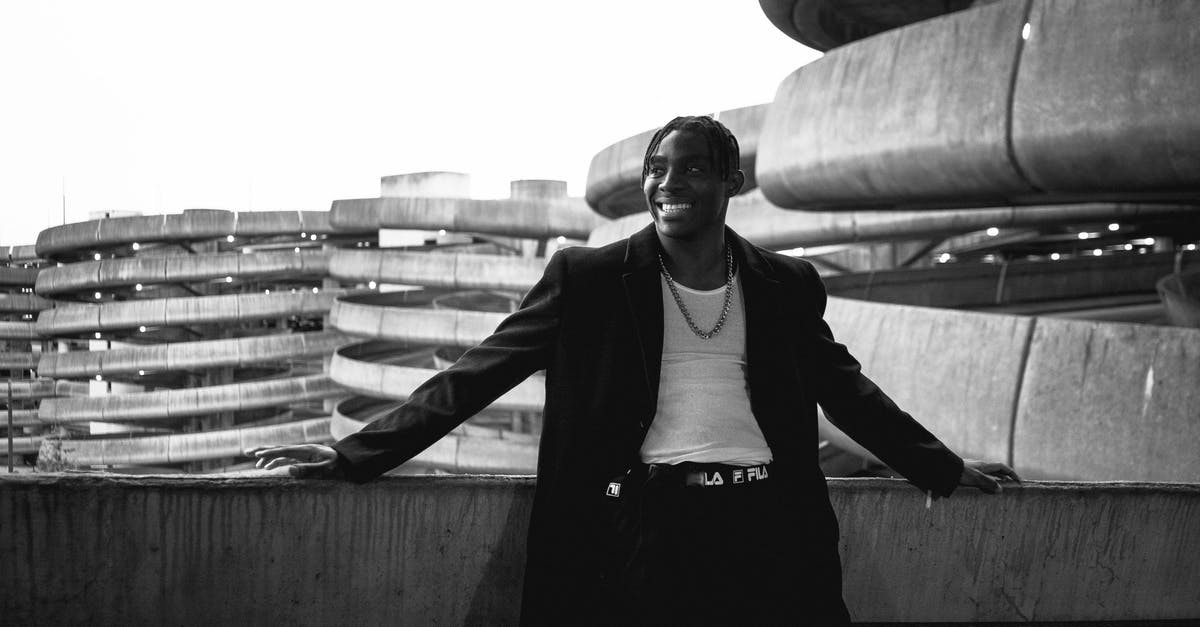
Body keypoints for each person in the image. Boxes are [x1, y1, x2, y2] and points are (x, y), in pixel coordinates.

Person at [250, 115, 1020, 625]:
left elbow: (846, 390)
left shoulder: (786, 283)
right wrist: (354, 455)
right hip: (644, 531)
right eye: (657, 168)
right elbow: (479, 372)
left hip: (770, 528)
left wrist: (941, 467)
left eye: (690, 169)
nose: (667, 182)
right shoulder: (588, 279)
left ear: (732, 184)